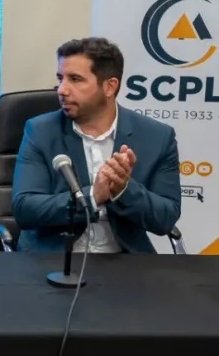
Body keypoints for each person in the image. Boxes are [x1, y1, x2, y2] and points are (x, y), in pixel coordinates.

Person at [12, 37, 180, 253]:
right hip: (54, 258)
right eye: (60, 78)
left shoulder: (157, 136)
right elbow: (24, 209)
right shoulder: (40, 131)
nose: (62, 90)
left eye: (75, 79)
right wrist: (92, 196)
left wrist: (124, 190)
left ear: (109, 86)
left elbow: (166, 218)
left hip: (124, 260)